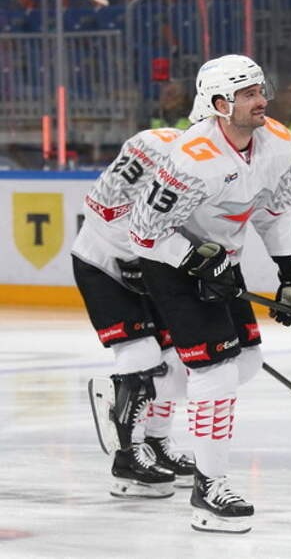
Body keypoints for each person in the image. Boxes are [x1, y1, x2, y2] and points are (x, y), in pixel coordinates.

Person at [128, 54, 291, 533]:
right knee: (215, 373)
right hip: (169, 264)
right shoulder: (191, 157)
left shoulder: (279, 142)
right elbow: (144, 233)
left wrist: (290, 271)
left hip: (220, 263)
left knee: (246, 362)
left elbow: (274, 212)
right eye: (248, 94)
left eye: (261, 89)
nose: (262, 100)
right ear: (219, 104)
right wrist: (194, 260)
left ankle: (139, 392)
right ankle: (209, 487)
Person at [78, 126, 196, 499]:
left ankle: (156, 442)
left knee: (175, 355)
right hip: (103, 261)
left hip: (153, 266)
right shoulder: (153, 145)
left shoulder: (218, 162)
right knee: (141, 353)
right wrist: (129, 256)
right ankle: (127, 457)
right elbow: (102, 205)